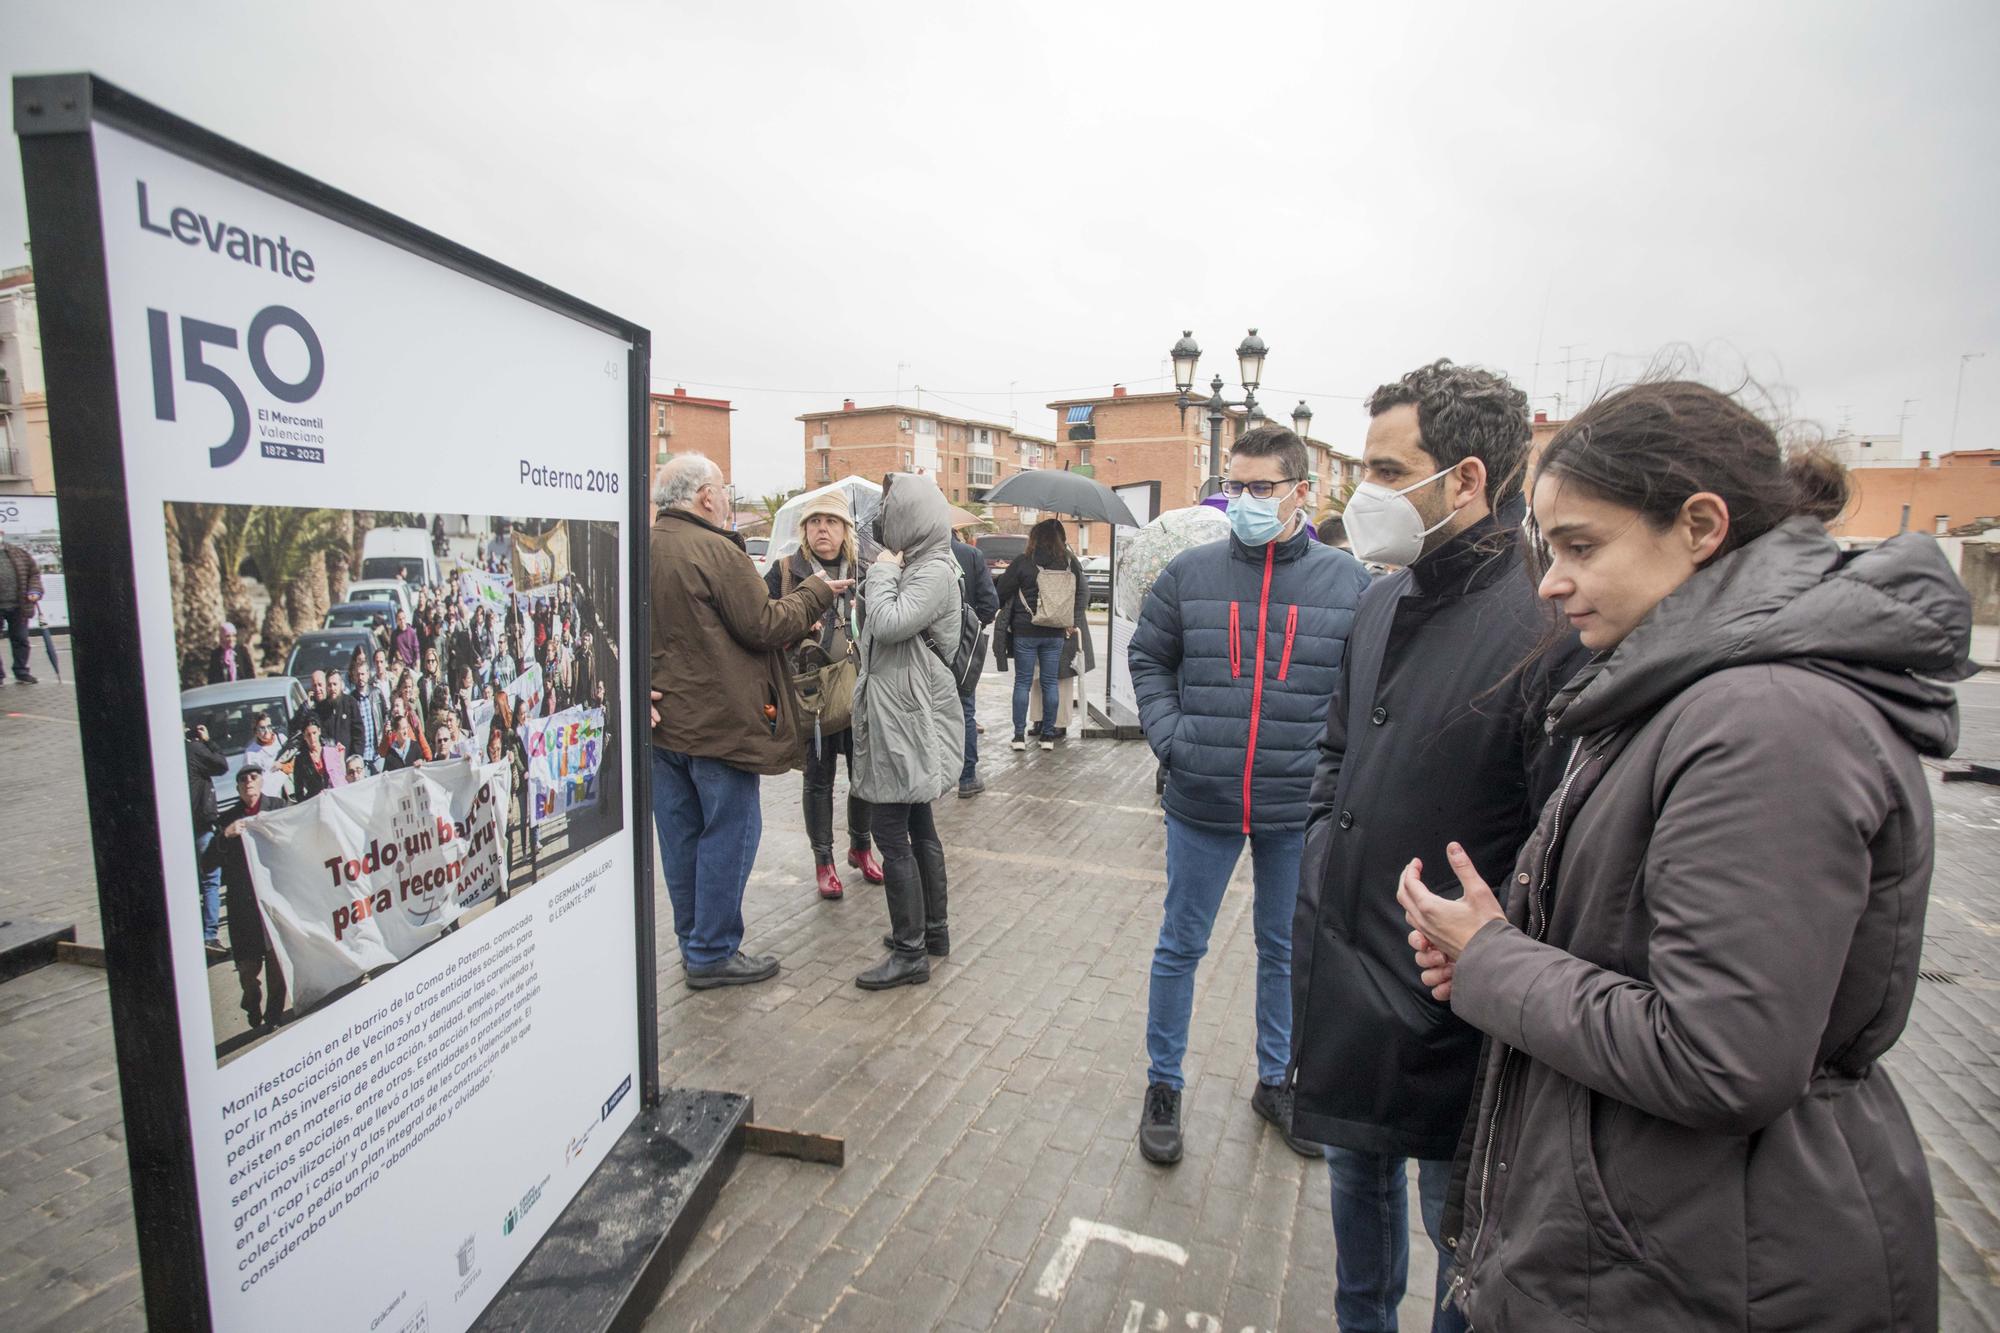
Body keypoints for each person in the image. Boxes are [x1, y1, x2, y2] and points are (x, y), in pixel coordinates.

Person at [1396, 380, 1966, 1333]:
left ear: (1700, 525)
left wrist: (1496, 959)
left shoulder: (1765, 720)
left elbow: (1721, 1055)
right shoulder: (1695, 690)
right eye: (1550, 548)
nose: (1550, 580)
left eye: (1582, 545)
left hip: (1717, 1260)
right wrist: (1493, 950)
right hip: (1676, 1237)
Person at [1289, 360, 1587, 1333]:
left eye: (1384, 468)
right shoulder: (1381, 598)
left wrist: (1491, 956)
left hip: (1461, 1013)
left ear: (1464, 479)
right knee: (1353, 1200)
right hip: (1351, 976)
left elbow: (1563, 842)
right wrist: (1322, 863)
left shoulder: (1544, 628)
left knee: (1461, 1247)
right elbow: (1336, 749)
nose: (1361, 492)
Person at [1127, 425, 1369, 1165]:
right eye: (1237, 487)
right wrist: (1172, 737)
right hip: (1204, 795)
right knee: (1180, 945)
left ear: (1302, 491)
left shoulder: (1349, 583)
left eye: (1263, 487)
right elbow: (1148, 655)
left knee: (1284, 948)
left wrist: (1340, 773)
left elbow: (1368, 690)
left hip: (1296, 806)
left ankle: (1278, 1079)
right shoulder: (1189, 573)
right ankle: (1163, 1084)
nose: (1247, 502)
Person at [650, 453, 846, 989]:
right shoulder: (715, 550)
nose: (728, 496)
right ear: (704, 496)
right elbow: (765, 625)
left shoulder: (642, 546)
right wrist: (815, 593)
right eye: (723, 487)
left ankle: (694, 942)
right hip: (720, 724)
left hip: (663, 727)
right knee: (729, 833)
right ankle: (712, 952)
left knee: (681, 838)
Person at [849, 474, 965, 990]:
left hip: (906, 715)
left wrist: (878, 573)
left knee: (892, 830)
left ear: (911, 517)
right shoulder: (925, 563)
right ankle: (931, 932)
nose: (882, 520)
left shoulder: (934, 568)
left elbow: (892, 622)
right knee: (918, 825)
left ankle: (911, 951)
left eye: (891, 510)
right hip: (904, 709)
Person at [765, 488, 883, 901]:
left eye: (831, 522)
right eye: (814, 522)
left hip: (858, 691)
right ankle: (824, 860)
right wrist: (798, 625)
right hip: (811, 697)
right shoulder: (784, 573)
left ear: (845, 530)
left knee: (863, 777)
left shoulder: (865, 572)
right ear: (804, 530)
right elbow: (762, 626)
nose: (822, 529)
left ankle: (861, 848)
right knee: (818, 780)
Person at [993, 518, 1085, 751]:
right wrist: (1072, 620)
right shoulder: (1069, 563)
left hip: (1026, 630)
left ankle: (1018, 738)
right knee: (1050, 682)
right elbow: (1082, 592)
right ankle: (1047, 737)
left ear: (1034, 538)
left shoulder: (1024, 562)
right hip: (1055, 631)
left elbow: (1002, 592)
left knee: (1023, 682)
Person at [216, 766, 288, 1031]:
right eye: (243, 779)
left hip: (272, 895)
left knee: (275, 959)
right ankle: (252, 1001)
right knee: (248, 968)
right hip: (243, 904)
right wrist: (226, 835)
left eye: (254, 777)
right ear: (237, 788)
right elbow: (209, 860)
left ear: (262, 782)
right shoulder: (228, 818)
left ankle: (273, 1015)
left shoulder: (277, 807)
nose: (249, 782)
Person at [949, 522, 1000, 796]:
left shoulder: (910, 554)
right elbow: (990, 604)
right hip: (963, 647)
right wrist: (972, 627)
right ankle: (967, 777)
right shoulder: (970, 555)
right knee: (965, 710)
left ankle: (934, 777)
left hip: (922, 649)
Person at [187, 724, 229, 957]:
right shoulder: (194, 750)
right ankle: (209, 936)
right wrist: (208, 741)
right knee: (211, 880)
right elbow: (221, 764)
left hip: (181, 830)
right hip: (201, 826)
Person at [0, 524, 42, 684]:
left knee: (21, 639)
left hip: (18, 605)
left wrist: (35, 590)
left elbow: (34, 574)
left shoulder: (19, 553)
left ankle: (21, 671)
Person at [348, 651, 390, 776]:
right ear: (354, 676)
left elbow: (385, 713)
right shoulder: (351, 699)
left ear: (368, 675)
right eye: (358, 675)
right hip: (361, 755)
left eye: (363, 674)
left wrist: (387, 726)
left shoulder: (376, 693)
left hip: (378, 752)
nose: (360, 677)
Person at [285, 716, 333, 801]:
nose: (312, 738)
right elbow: (298, 790)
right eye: (308, 734)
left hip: (333, 797)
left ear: (319, 731)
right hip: (314, 801)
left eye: (314, 733)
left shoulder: (330, 751)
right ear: (304, 736)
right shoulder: (300, 760)